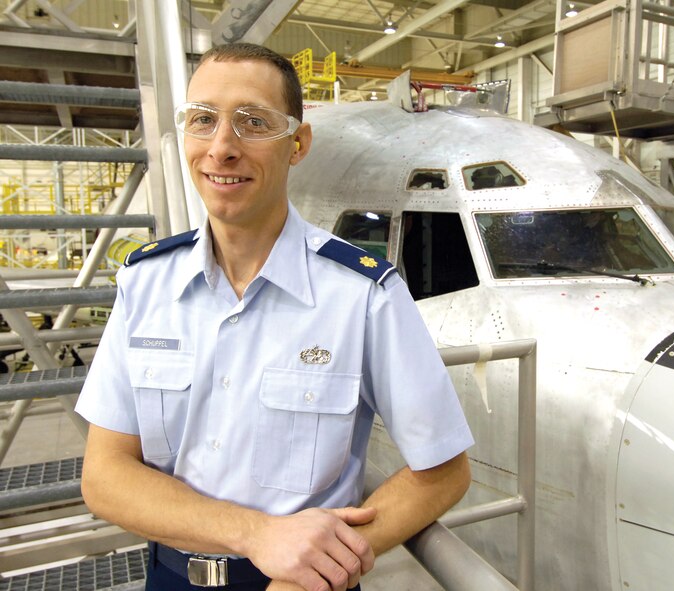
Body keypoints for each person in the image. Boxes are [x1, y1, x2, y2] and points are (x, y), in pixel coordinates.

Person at [76, 42, 473, 591]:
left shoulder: (362, 295)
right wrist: (256, 534)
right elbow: (105, 477)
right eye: (203, 120)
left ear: (297, 144)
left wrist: (324, 563)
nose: (222, 147)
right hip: (170, 577)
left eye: (253, 123)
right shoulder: (146, 285)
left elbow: (443, 472)